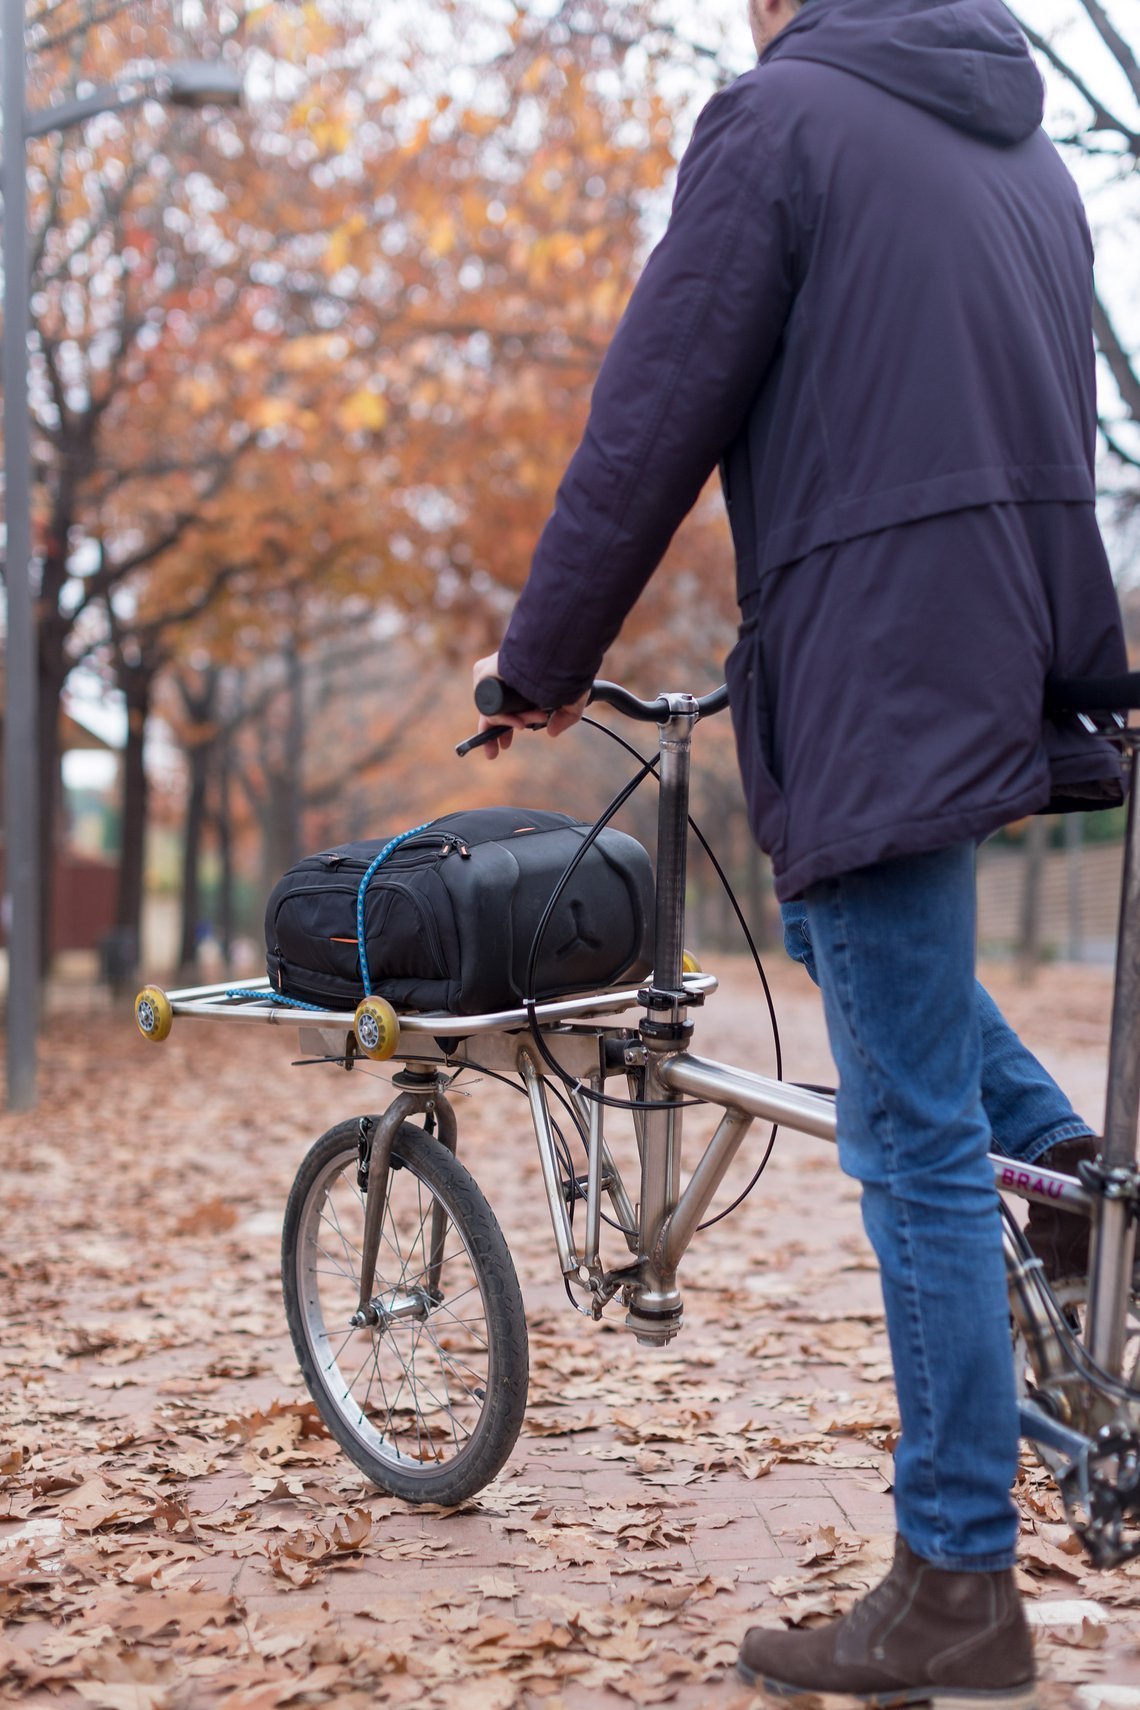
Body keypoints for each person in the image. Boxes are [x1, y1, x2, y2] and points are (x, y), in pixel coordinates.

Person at [472, 0, 1127, 1701]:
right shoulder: (1031, 158)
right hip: (1002, 636)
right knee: (854, 965)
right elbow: (1051, 429)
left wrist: (543, 662)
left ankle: (956, 1583)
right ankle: (1060, 1174)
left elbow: (654, 410)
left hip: (879, 650)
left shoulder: (778, 120)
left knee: (904, 1135)